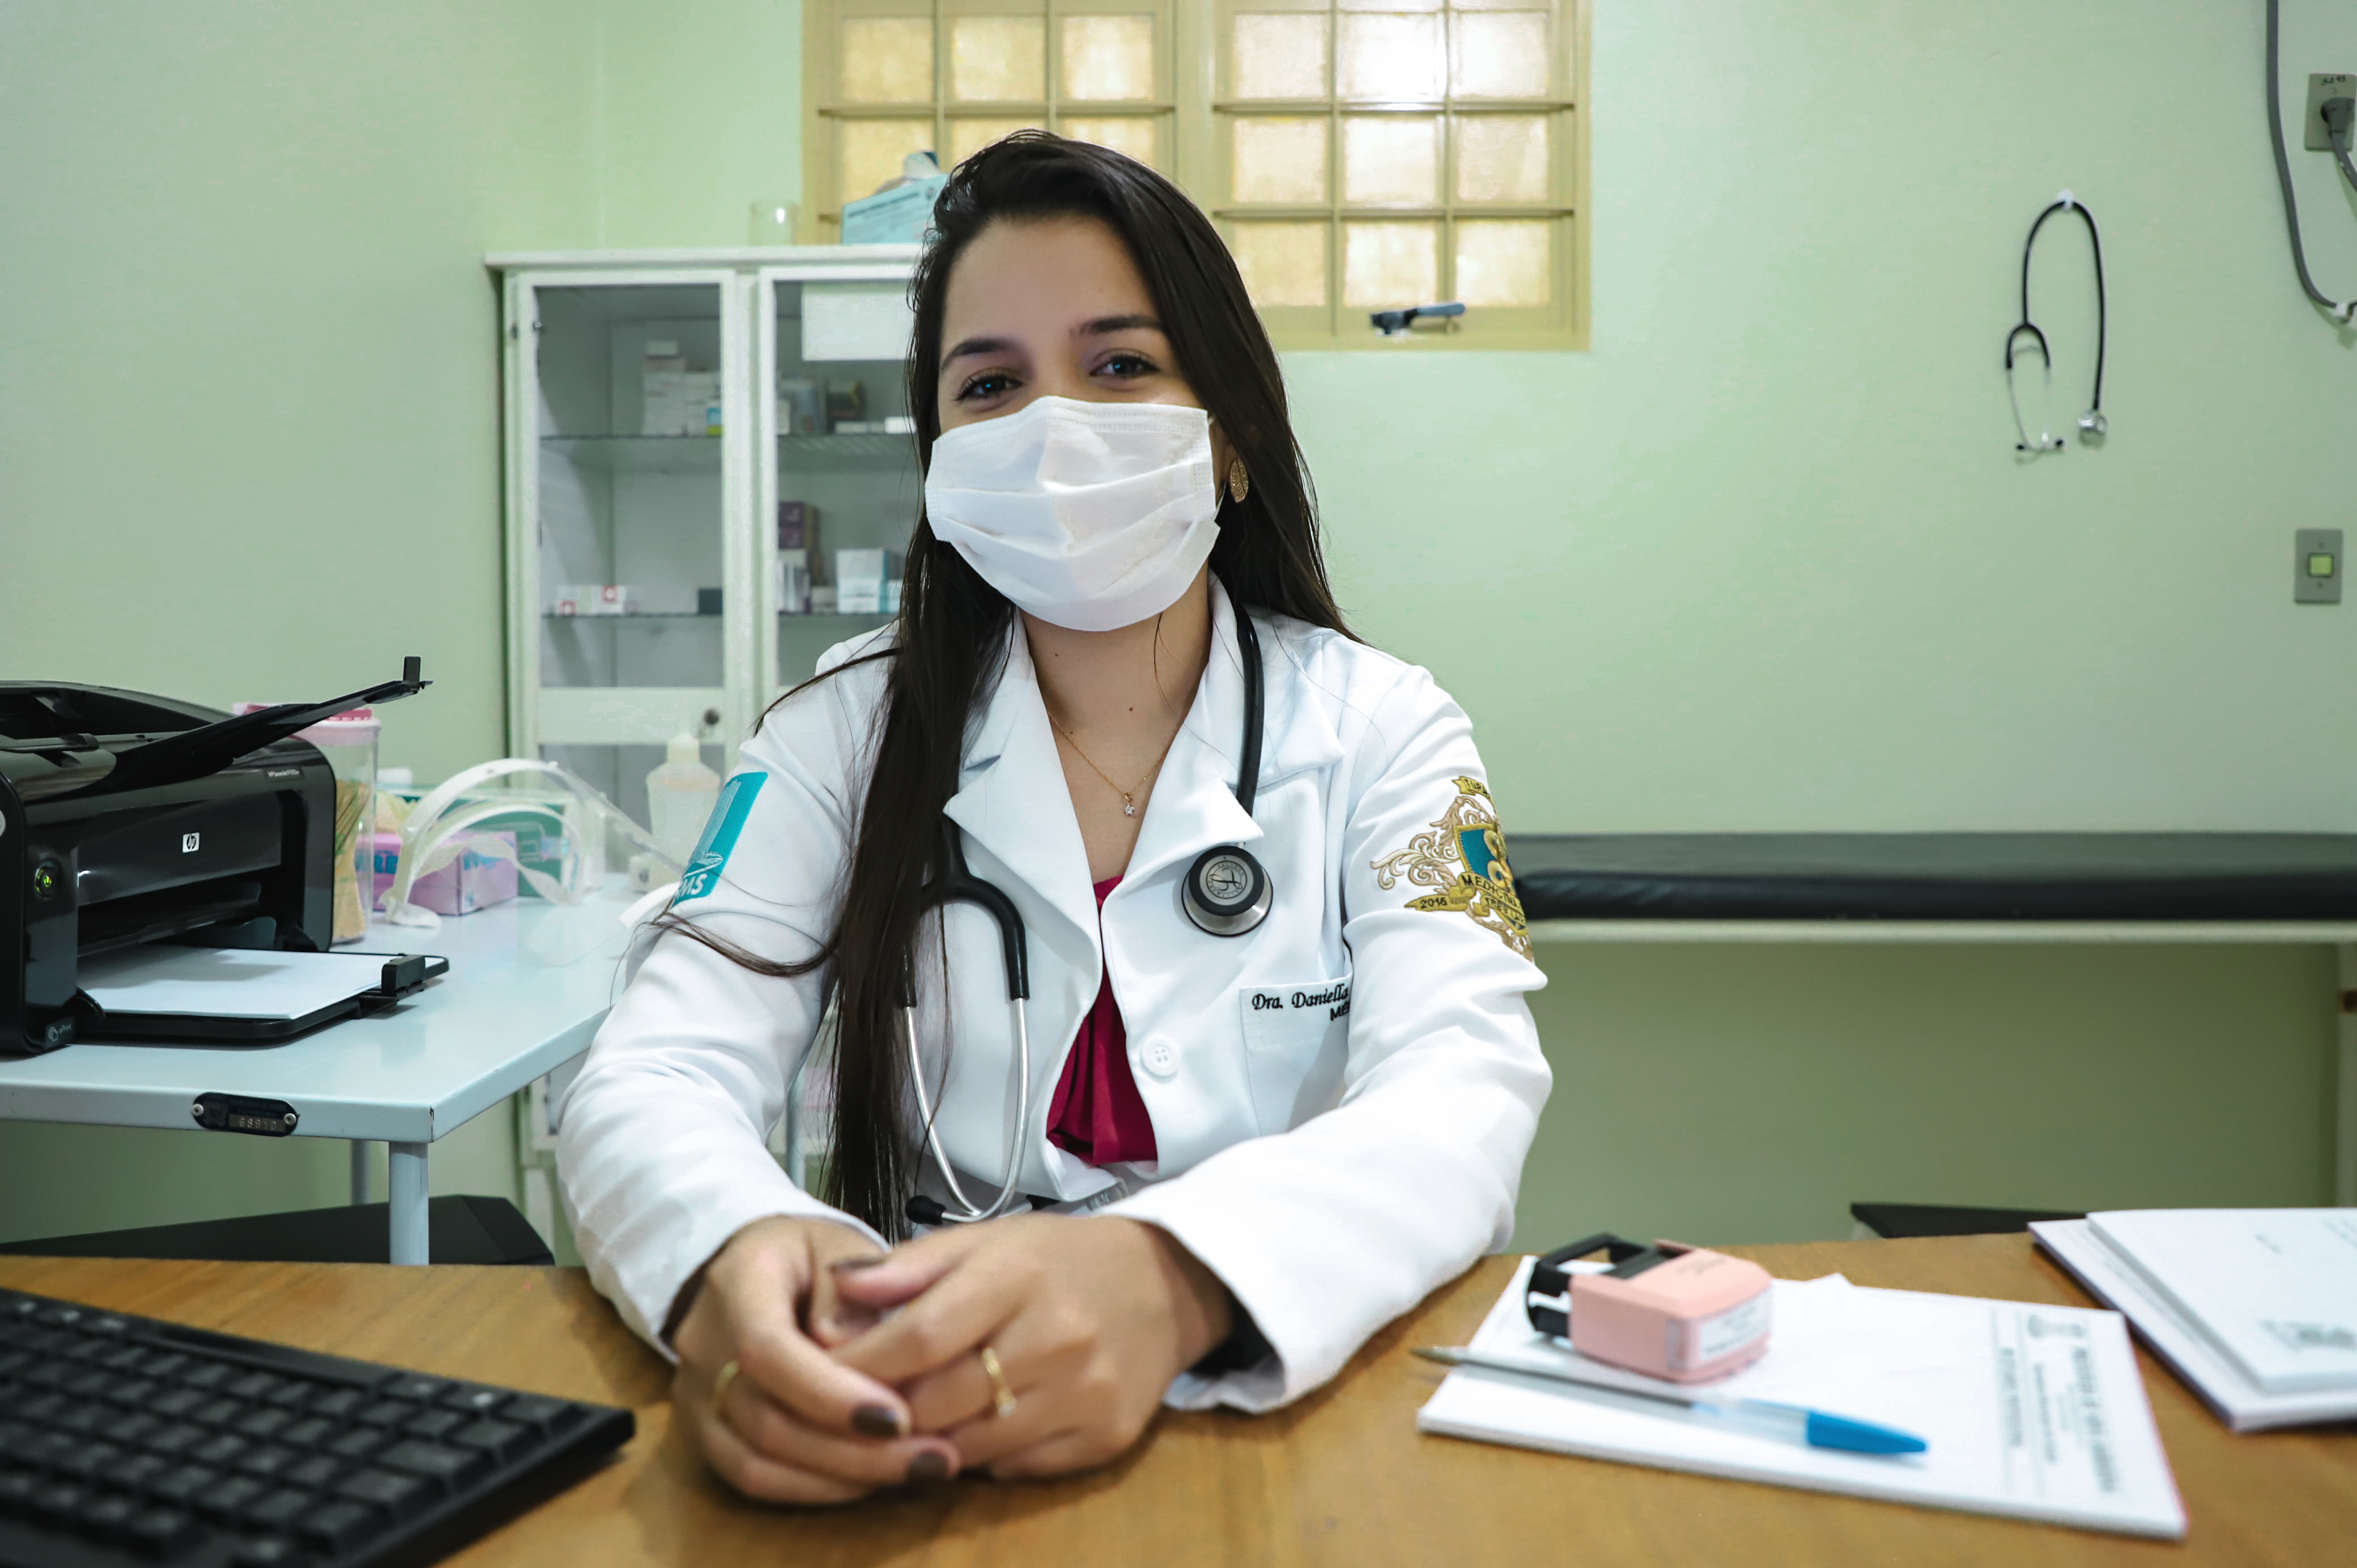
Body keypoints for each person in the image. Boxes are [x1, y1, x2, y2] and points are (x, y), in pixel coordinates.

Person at [556, 132, 1551, 1503]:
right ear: (942, 469)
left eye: (1123, 364)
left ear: (1236, 444)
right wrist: (730, 1251)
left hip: (1274, 1419)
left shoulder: (1389, 733)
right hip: (909, 1401)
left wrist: (1177, 1278)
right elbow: (653, 1074)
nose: (1051, 428)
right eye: (991, 385)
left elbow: (1463, 1090)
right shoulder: (836, 735)